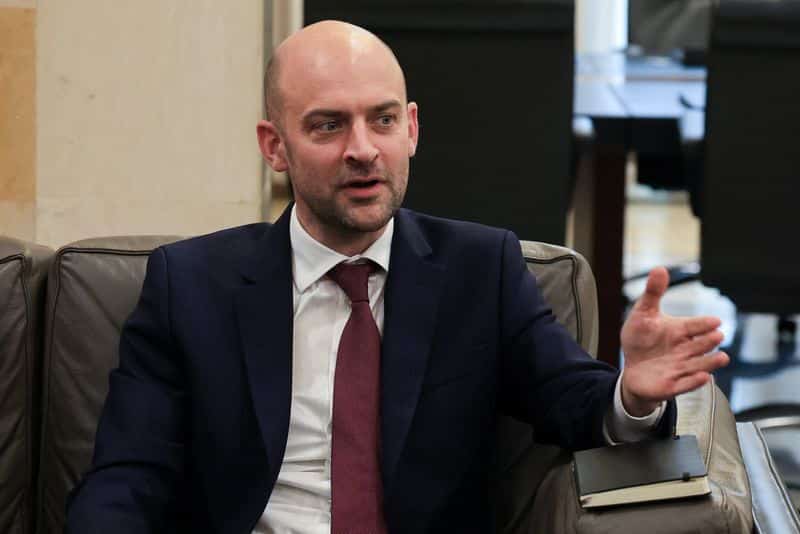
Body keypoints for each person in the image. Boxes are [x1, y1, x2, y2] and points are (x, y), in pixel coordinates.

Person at [66, 20, 729, 534]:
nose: (362, 149)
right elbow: (127, 478)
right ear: (275, 146)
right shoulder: (190, 286)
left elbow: (572, 400)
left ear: (410, 129)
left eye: (382, 120)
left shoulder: (481, 270)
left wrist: (631, 394)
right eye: (328, 125)